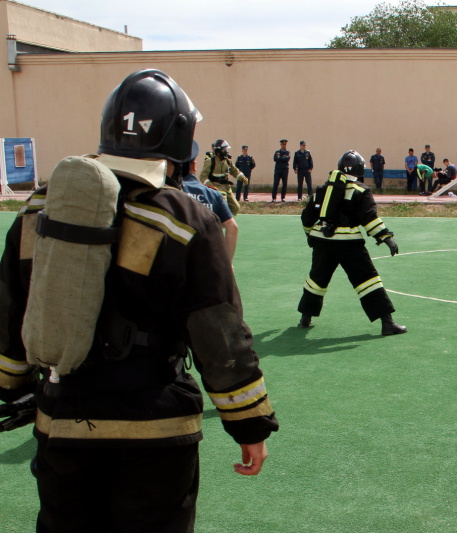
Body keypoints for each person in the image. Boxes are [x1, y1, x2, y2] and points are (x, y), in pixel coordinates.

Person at [0, 69, 278, 532]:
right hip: (155, 431)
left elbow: (10, 309)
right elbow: (219, 334)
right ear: (179, 139)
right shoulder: (185, 218)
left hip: (62, 419)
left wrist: (11, 385)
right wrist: (249, 425)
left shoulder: (38, 211)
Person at [297, 150, 407, 336]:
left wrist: (310, 235)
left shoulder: (324, 189)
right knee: (368, 280)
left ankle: (305, 318)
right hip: (349, 244)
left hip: (323, 241)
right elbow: (369, 219)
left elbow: (307, 216)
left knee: (317, 279)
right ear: (359, 169)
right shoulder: (361, 190)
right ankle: (387, 323)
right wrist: (386, 238)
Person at [181, 142, 239, 260]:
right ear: (194, 166)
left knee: (235, 207)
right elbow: (232, 227)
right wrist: (228, 263)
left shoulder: (168, 193)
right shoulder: (212, 193)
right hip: (208, 259)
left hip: (180, 260)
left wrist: (240, 175)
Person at [200, 139, 248, 216]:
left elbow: (234, 171)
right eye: (225, 149)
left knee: (235, 207)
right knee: (223, 207)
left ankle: (227, 225)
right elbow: (203, 176)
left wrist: (242, 177)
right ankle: (217, 225)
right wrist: (210, 186)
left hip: (227, 188)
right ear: (219, 151)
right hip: (216, 188)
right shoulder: (210, 161)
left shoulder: (227, 161)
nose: (226, 151)